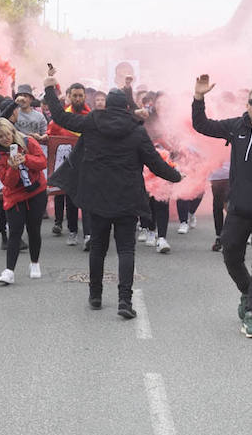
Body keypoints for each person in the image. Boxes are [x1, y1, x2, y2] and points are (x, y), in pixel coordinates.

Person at [43, 67, 179, 319]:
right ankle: (124, 302)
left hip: (97, 197)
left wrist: (50, 87)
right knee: (126, 250)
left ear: (107, 106)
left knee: (98, 248)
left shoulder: (92, 122)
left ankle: (95, 296)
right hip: (128, 198)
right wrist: (177, 176)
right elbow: (155, 163)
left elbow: (60, 117)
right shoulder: (137, 130)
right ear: (127, 108)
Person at [192, 75, 252, 339]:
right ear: (248, 104)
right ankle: (247, 291)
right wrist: (198, 97)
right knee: (230, 255)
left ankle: (251, 314)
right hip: (239, 208)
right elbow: (202, 125)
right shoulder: (236, 126)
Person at [0, 117, 48, 284]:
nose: (5, 139)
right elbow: (7, 182)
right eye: (0, 137)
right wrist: (13, 169)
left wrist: (25, 159)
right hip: (14, 195)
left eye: (7, 135)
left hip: (36, 191)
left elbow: (42, 162)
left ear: (13, 132)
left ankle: (34, 263)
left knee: (34, 229)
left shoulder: (28, 142)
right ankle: (9, 271)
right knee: (15, 231)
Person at [49, 82, 90, 245]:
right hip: (68, 166)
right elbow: (50, 137)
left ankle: (89, 234)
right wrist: (44, 138)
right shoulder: (61, 118)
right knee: (71, 200)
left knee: (87, 200)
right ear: (69, 97)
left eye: (81, 95)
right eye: (75, 95)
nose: (78, 98)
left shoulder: (91, 116)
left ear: (85, 97)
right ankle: (72, 231)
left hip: (87, 166)